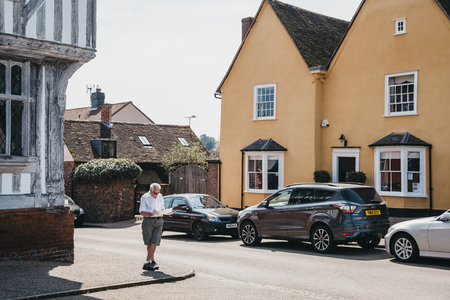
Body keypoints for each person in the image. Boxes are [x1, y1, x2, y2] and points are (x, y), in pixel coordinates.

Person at [139, 183, 165, 271]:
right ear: (150, 191)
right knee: (149, 243)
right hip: (148, 221)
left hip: (159, 220)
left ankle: (147, 262)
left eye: (158, 193)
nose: (156, 195)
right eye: (155, 193)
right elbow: (141, 211)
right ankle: (152, 261)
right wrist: (147, 213)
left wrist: (165, 212)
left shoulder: (160, 196)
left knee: (155, 242)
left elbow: (162, 208)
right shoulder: (144, 197)